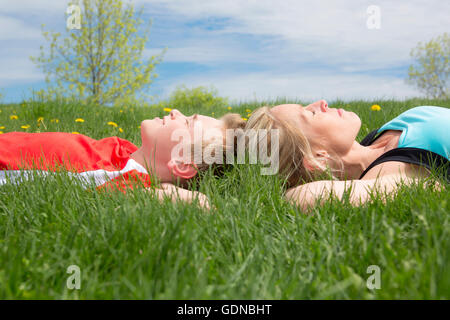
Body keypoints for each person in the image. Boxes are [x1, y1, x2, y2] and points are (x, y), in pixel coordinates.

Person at [0, 109, 246, 209]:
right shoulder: (126, 152)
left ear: (183, 163)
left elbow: (190, 202)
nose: (175, 112)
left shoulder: (124, 179)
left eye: (187, 122)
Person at [245, 100, 449, 211]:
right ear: (317, 158)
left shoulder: (377, 138)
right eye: (311, 114)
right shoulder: (392, 172)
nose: (321, 103)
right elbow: (302, 198)